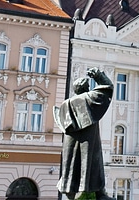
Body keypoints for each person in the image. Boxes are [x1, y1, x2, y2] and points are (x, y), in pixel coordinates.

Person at [56, 67, 114, 199]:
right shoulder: (89, 98)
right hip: (88, 139)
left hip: (70, 141)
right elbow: (107, 87)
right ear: (86, 88)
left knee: (71, 165)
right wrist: (98, 76)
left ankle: (70, 194)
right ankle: (100, 194)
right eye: (88, 86)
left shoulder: (66, 103)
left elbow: (61, 121)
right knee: (94, 163)